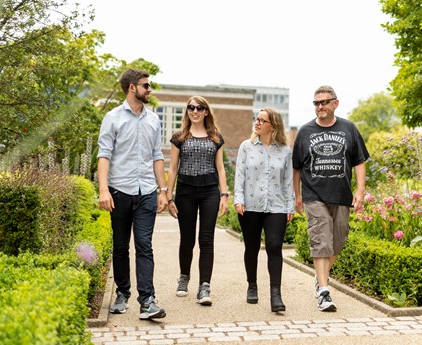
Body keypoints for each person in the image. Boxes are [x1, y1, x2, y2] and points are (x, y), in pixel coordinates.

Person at [97, 69, 168, 320]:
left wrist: (163, 191)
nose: (149, 90)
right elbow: (104, 155)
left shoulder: (153, 120)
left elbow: (157, 156)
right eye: (146, 86)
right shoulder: (112, 118)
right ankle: (122, 294)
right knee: (119, 246)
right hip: (119, 191)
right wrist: (103, 189)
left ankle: (147, 300)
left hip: (147, 190)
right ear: (132, 88)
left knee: (144, 245)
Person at [292, 85, 369, 312]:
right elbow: (296, 168)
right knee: (321, 237)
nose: (320, 106)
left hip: (342, 195)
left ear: (335, 103)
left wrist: (360, 190)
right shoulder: (305, 132)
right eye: (316, 103)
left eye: (324, 102)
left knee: (338, 239)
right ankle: (324, 292)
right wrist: (297, 196)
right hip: (314, 195)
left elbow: (359, 161)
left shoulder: (349, 128)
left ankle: (320, 277)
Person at [166, 95, 229, 306]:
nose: (194, 111)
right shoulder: (179, 137)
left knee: (206, 239)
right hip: (185, 192)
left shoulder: (215, 137)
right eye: (191, 108)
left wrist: (224, 195)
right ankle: (184, 278)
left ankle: (204, 286)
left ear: (206, 111)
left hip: (209, 191)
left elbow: (220, 168)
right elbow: (173, 168)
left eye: (199, 108)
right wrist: (168, 195)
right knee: (187, 239)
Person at [234, 108, 294, 313]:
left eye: (262, 120)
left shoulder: (285, 150)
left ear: (273, 125)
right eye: (256, 119)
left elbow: (288, 181)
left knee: (275, 247)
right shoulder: (246, 147)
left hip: (276, 206)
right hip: (249, 206)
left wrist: (290, 205)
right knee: (251, 247)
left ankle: (275, 294)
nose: (257, 123)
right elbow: (239, 175)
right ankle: (252, 284)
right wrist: (238, 200)